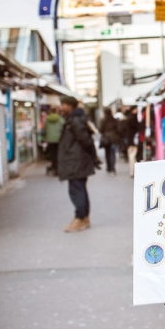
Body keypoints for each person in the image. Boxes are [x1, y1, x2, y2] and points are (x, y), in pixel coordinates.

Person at [57, 96, 99, 233]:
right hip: (77, 160)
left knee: (76, 190)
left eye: (64, 104)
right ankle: (84, 218)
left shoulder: (75, 120)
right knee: (79, 189)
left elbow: (85, 140)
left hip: (76, 161)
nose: (61, 107)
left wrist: (92, 157)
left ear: (70, 106)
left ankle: (80, 218)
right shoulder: (74, 119)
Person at [99, 107, 121, 175]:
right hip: (113, 139)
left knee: (107, 153)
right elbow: (118, 129)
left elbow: (100, 129)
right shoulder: (114, 120)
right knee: (112, 153)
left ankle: (109, 167)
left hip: (106, 139)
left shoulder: (103, 120)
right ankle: (112, 168)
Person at [42, 106, 64, 176]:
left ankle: (54, 167)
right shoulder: (60, 119)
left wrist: (45, 137)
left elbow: (44, 129)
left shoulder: (47, 120)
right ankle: (58, 169)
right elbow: (64, 128)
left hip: (50, 140)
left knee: (53, 155)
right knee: (59, 155)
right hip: (59, 140)